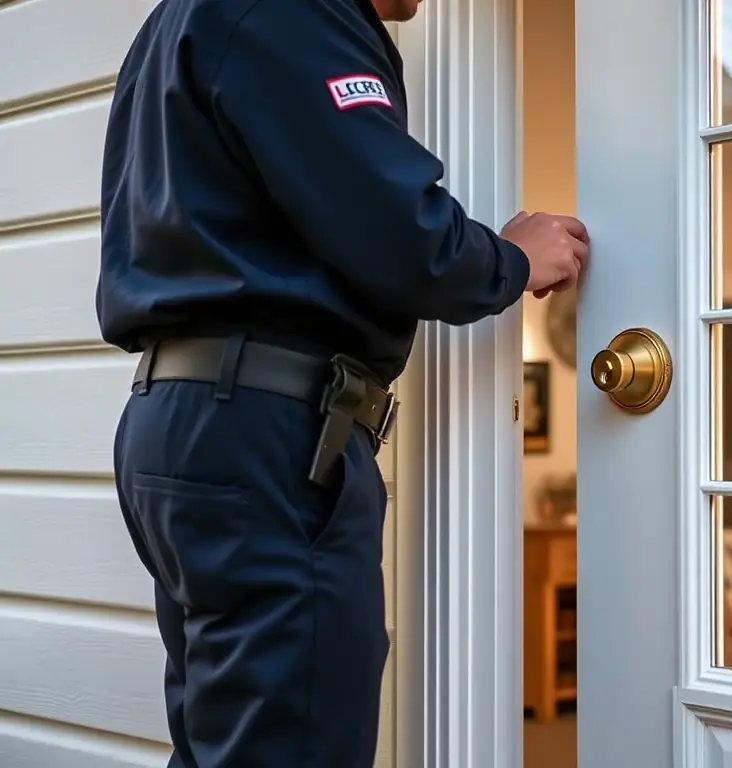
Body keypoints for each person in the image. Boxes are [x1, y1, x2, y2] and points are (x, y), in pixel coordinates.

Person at [95, 0, 589, 765]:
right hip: (269, 435)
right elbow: (396, 230)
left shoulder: (183, 22)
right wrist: (511, 257)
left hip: (185, 421)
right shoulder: (295, 12)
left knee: (230, 742)